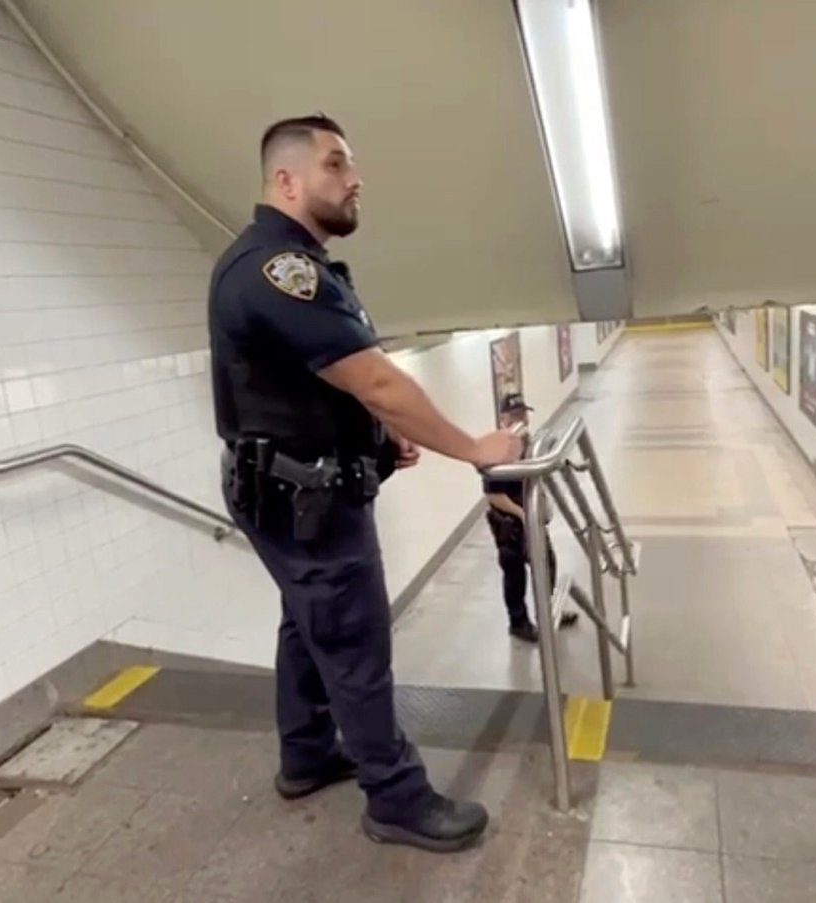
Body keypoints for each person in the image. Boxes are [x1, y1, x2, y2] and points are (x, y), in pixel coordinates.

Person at [208, 114, 523, 853]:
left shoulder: (286, 263)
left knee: (307, 620)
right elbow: (377, 379)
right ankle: (396, 798)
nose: (355, 180)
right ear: (286, 180)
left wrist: (377, 436)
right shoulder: (278, 272)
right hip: (304, 499)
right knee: (353, 641)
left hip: (285, 489)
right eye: (336, 164)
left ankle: (307, 753)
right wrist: (473, 447)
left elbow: (318, 378)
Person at [482, 392, 579, 642]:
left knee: (546, 563)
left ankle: (549, 610)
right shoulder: (497, 449)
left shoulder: (527, 445)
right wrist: (521, 514)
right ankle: (518, 623)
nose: (521, 420)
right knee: (515, 575)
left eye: (523, 414)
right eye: (515, 415)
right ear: (503, 419)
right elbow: (493, 495)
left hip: (531, 516)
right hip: (509, 522)